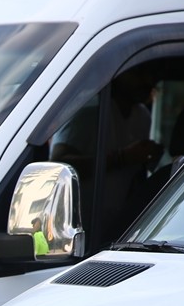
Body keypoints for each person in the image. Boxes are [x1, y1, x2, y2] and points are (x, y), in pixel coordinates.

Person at [51, 66, 162, 239]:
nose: (147, 81)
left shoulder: (142, 116)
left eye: (151, 74)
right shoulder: (89, 109)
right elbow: (58, 165)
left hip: (120, 228)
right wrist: (122, 158)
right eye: (138, 72)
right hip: (80, 227)